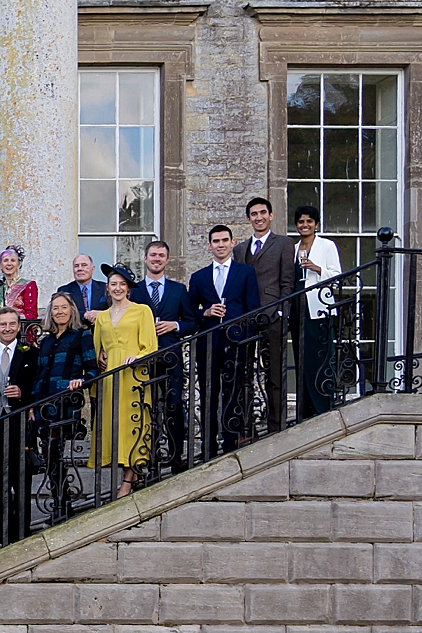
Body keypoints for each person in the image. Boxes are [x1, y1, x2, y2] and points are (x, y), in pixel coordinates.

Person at [128, 238, 199, 471]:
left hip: (171, 357)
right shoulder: (134, 291)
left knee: (173, 405)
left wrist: (174, 325)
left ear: (167, 260)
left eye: (161, 256)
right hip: (142, 359)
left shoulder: (179, 290)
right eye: (153, 255)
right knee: (143, 407)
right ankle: (147, 456)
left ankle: (176, 455)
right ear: (145, 258)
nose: (156, 259)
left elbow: (192, 322)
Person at [90, 267, 159, 498]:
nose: (117, 288)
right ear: (107, 288)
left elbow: (150, 346)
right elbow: (97, 348)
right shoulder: (102, 317)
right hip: (110, 376)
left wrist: (137, 357)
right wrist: (100, 357)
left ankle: (127, 481)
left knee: (133, 426)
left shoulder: (142, 311)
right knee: (113, 426)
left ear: (128, 288)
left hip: (132, 374)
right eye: (113, 284)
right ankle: (129, 475)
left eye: (122, 284)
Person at [193, 224, 262, 451]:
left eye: (224, 240)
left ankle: (231, 441)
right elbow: (189, 313)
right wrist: (206, 312)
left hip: (236, 342)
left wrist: (245, 338)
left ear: (232, 243)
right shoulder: (198, 277)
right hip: (208, 343)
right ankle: (208, 444)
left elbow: (253, 309)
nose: (220, 245)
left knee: (233, 392)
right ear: (209, 245)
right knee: (208, 393)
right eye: (216, 241)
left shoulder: (245, 273)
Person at [28, 292, 98, 515]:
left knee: (54, 449)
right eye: (55, 308)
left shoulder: (81, 335)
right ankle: (61, 499)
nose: (59, 312)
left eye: (64, 307)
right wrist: (32, 405)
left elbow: (93, 369)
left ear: (72, 310)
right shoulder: (46, 341)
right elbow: (38, 375)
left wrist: (81, 380)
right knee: (48, 452)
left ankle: (62, 502)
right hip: (43, 404)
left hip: (64, 403)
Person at [237, 195, 303, 431]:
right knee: (243, 374)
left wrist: (283, 312)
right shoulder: (240, 249)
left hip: (273, 315)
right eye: (254, 214)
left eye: (263, 213)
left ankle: (277, 426)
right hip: (246, 318)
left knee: (274, 373)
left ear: (271, 215)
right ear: (248, 219)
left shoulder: (284, 243)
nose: (259, 217)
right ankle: (246, 428)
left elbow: (287, 281)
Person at [0, 309, 41, 544]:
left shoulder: (31, 353)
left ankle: (22, 529)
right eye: (3, 324)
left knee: (21, 479)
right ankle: (4, 530)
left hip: (19, 423)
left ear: (18, 326)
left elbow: (38, 385)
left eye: (12, 324)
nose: (7, 328)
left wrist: (23, 393)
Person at [291, 205, 345, 418]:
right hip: (297, 307)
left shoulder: (326, 246)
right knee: (302, 356)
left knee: (320, 357)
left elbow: (338, 276)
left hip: (318, 308)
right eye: (301, 222)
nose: (305, 225)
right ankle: (304, 408)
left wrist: (317, 268)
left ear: (316, 224)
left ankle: (322, 406)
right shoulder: (294, 248)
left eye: (309, 221)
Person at [0, 245, 41, 328]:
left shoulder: (28, 285)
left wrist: (14, 320)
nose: (9, 263)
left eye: (13, 260)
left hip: (21, 331)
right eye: (5, 260)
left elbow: (32, 314)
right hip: (1, 332)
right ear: (0, 265)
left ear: (19, 264)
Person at [61, 253, 105, 318]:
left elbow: (114, 309)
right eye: (76, 266)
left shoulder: (105, 288)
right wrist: (84, 315)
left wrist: (101, 314)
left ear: (93, 269)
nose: (80, 269)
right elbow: (62, 313)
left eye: (84, 265)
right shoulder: (64, 291)